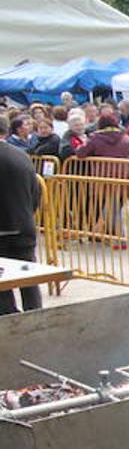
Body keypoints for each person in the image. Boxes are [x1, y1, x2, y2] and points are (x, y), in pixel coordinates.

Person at [0, 118, 43, 313]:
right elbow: (36, 191)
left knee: (3, 286)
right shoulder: (22, 155)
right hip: (23, 225)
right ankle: (36, 317)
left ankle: (11, 319)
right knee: (29, 279)